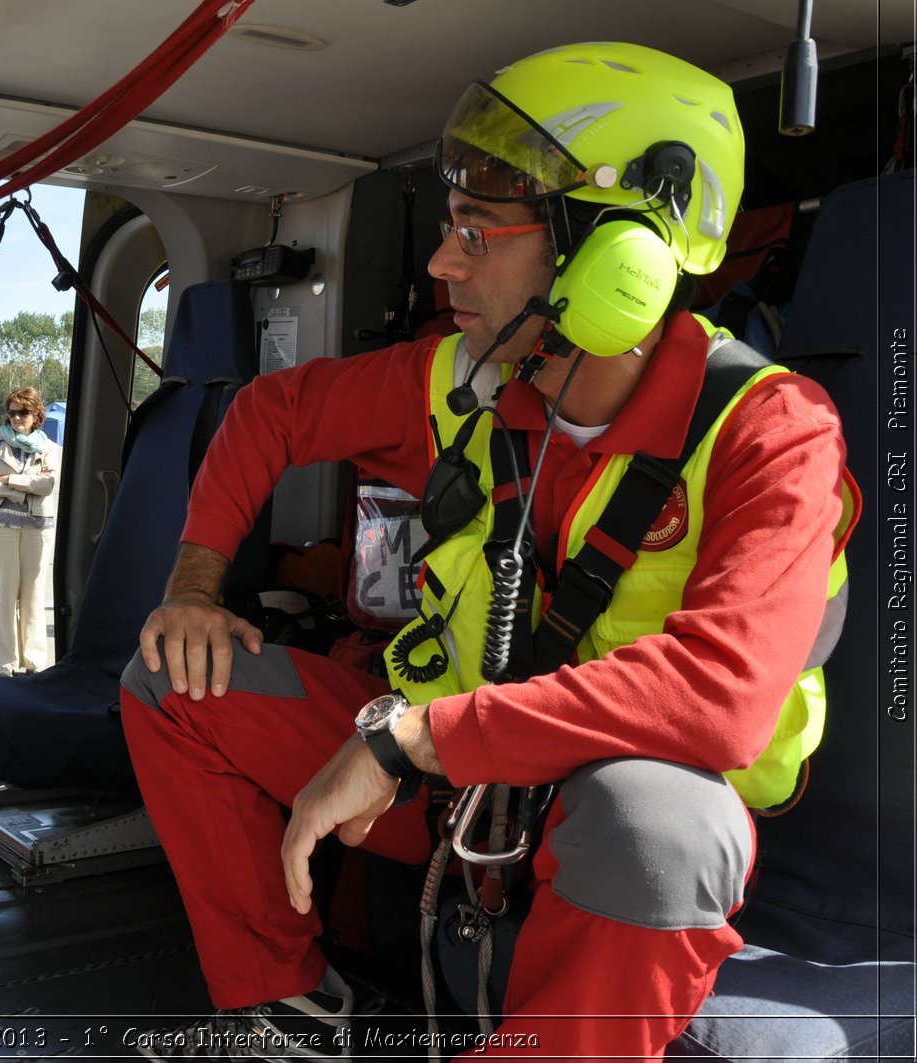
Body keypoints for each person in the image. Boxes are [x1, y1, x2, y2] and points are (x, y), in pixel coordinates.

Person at [119, 42, 857, 1060]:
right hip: (452, 783)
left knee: (657, 820)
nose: (440, 263)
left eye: (477, 232)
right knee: (172, 681)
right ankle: (283, 1005)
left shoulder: (771, 430)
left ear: (616, 258)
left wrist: (411, 740)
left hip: (590, 815)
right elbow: (269, 413)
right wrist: (194, 585)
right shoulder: (460, 381)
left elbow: (720, 698)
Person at [0, 387, 58, 677]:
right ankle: (6, 662)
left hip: (38, 527)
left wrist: (11, 479)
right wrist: (25, 488)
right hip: (0, 527)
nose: (16, 418)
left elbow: (47, 486)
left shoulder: (48, 446)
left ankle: (34, 660)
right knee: (6, 595)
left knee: (34, 594)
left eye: (22, 412)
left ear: (36, 415)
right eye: (11, 412)